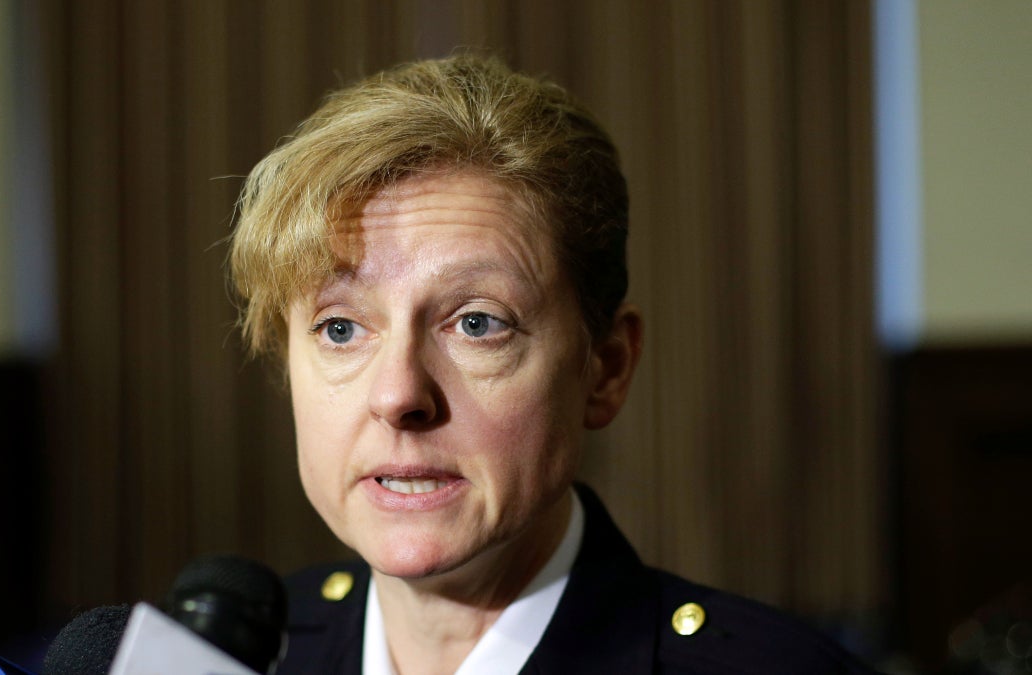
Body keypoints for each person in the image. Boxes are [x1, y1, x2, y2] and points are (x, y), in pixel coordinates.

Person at [228, 54, 873, 675]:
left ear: (607, 369)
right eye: (340, 328)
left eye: (478, 323)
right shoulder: (231, 661)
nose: (399, 395)